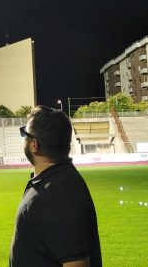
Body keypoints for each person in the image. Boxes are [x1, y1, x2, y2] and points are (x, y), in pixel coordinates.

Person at [9, 105, 101, 267]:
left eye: (25, 133)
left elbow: (76, 263)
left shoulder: (59, 194)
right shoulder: (55, 182)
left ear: (34, 145)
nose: (24, 138)